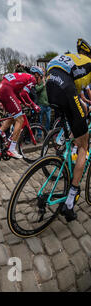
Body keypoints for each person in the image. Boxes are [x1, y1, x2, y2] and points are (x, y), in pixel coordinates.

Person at [45, 38, 91, 221]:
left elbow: (80, 94)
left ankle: (68, 148)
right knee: (84, 146)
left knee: (78, 119)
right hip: (64, 86)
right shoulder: (89, 62)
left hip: (50, 83)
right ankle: (70, 201)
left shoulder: (74, 59)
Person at [0, 72, 41, 159]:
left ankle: (0, 133)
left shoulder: (24, 77)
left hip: (1, 89)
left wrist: (25, 103)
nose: (41, 80)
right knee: (20, 120)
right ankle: (12, 149)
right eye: (41, 77)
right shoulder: (32, 79)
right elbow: (24, 93)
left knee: (13, 117)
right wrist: (33, 105)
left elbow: (18, 94)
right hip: (7, 90)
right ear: (38, 76)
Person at [31, 66, 51, 132]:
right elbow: (36, 89)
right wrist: (43, 84)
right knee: (40, 121)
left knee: (48, 120)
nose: (42, 72)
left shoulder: (47, 80)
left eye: (43, 71)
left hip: (48, 104)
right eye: (41, 71)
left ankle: (47, 133)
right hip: (41, 104)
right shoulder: (37, 80)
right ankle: (39, 135)